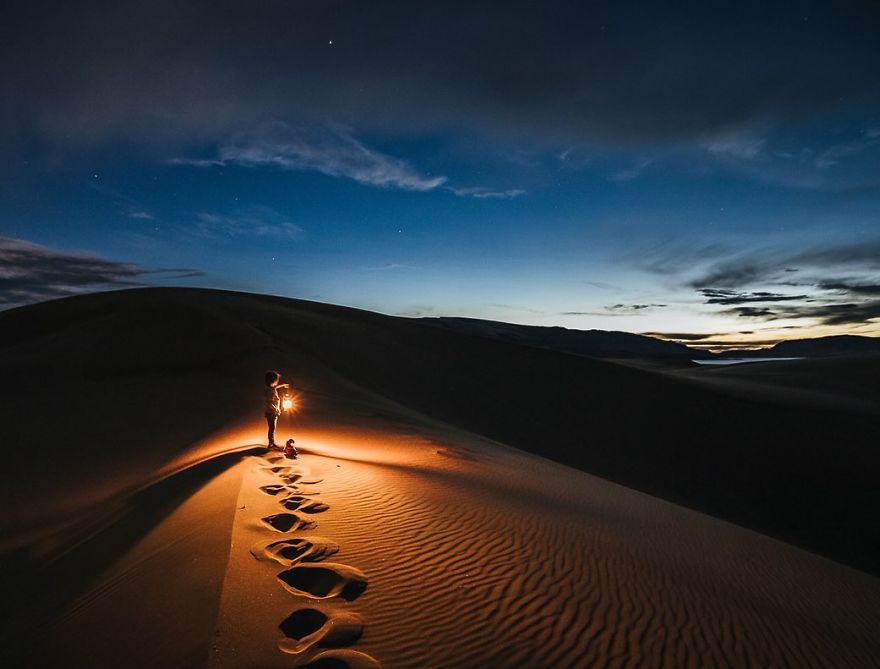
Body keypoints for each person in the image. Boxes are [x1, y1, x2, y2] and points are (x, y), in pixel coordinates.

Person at [263, 370, 289, 450]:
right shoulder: (269, 391)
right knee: (272, 428)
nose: (278, 382)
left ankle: (272, 442)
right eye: (277, 380)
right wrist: (275, 410)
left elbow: (275, 387)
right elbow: (269, 402)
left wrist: (283, 385)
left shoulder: (271, 388)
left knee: (273, 428)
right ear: (273, 380)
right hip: (271, 413)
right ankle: (271, 444)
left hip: (273, 412)